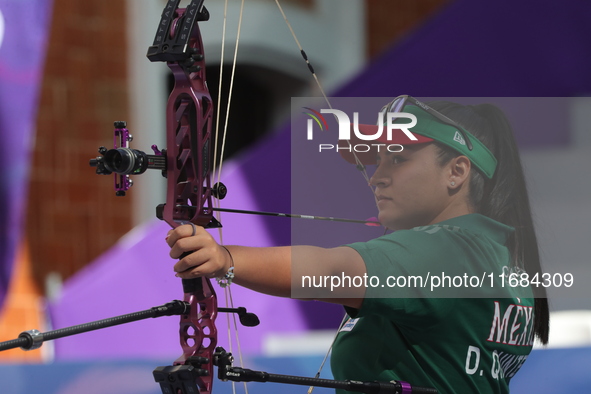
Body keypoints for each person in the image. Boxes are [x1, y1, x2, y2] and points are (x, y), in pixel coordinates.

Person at [165, 96, 549, 394]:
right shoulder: (496, 260)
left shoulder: (449, 251)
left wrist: (225, 259)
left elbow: (333, 272)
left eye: (396, 159)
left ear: (456, 171)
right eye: (377, 161)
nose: (376, 177)